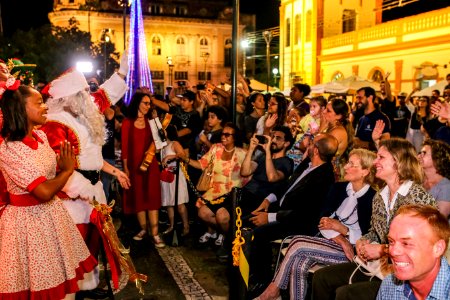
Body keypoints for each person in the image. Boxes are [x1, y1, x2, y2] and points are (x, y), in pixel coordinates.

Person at [0, 83, 96, 299]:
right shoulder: (9, 149)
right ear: (21, 109)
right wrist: (66, 172)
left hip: (52, 217)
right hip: (28, 226)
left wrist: (61, 171)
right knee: (42, 287)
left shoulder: (41, 137)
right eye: (39, 103)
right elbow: (43, 191)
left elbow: (49, 180)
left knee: (63, 287)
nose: (45, 107)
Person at [40, 66, 130, 295]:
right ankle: (72, 290)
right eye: (82, 93)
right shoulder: (55, 123)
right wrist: (84, 190)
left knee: (91, 243)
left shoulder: (82, 114)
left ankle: (87, 285)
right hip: (71, 199)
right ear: (68, 98)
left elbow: (93, 158)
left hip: (92, 191)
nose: (88, 97)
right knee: (73, 249)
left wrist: (114, 172)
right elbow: (56, 167)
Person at [312, 138, 436, 300]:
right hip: (380, 268)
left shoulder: (417, 197)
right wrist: (362, 241)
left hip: (409, 277)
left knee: (346, 294)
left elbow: (425, 244)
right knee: (322, 278)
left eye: (381, 157)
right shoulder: (380, 196)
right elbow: (375, 233)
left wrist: (382, 250)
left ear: (398, 162)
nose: (375, 162)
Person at [256, 149, 377, 300]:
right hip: (330, 242)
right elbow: (322, 221)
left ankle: (273, 291)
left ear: (365, 171)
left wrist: (343, 229)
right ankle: (277, 293)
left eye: (352, 164)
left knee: (297, 244)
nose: (345, 167)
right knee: (299, 263)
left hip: (351, 253)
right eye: (347, 162)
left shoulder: (373, 198)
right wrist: (340, 238)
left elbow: (370, 236)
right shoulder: (338, 188)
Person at [248, 133, 338, 293]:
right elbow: (288, 184)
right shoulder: (308, 163)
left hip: (298, 222)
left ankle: (262, 282)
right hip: (282, 210)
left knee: (259, 233)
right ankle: (245, 270)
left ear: (316, 150)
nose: (308, 145)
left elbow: (305, 213)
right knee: (246, 218)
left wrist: (269, 217)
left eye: (311, 143)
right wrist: (269, 199)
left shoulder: (324, 177)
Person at [180, 123, 249, 247]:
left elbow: (248, 175)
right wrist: (184, 159)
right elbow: (201, 164)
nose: (223, 136)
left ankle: (226, 236)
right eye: (223, 134)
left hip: (231, 193)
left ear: (235, 137)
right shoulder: (216, 148)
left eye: (227, 135)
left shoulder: (242, 153)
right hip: (215, 190)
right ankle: (223, 231)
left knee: (221, 216)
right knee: (202, 213)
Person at [377, 204, 450, 300]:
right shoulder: (389, 286)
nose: (393, 252)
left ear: (438, 248)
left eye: (406, 243)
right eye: (391, 241)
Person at [121, 91, 165, 246]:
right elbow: (124, 149)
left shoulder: (152, 122)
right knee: (138, 196)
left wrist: (156, 144)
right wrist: (125, 169)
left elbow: (160, 146)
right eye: (145, 103)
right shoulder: (127, 122)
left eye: (149, 103)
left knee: (152, 196)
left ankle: (155, 233)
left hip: (150, 165)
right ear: (137, 104)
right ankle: (143, 229)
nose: (148, 106)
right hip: (134, 167)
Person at [240, 126, 294, 216]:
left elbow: (272, 177)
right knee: (211, 212)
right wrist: (251, 149)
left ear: (286, 143)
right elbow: (244, 172)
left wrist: (268, 151)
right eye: (272, 137)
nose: (273, 140)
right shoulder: (262, 156)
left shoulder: (287, 162)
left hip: (260, 200)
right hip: (245, 193)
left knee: (224, 216)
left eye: (278, 138)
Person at [160, 125, 190, 237]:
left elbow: (182, 155)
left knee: (179, 203)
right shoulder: (162, 146)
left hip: (176, 176)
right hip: (166, 177)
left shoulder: (174, 143)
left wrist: (169, 157)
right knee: (168, 203)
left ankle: (186, 225)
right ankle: (172, 225)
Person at [418, 139, 450, 218]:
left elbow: (440, 219)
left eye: (424, 153)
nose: (419, 156)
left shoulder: (446, 187)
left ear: (437, 157)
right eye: (420, 153)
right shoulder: (418, 180)